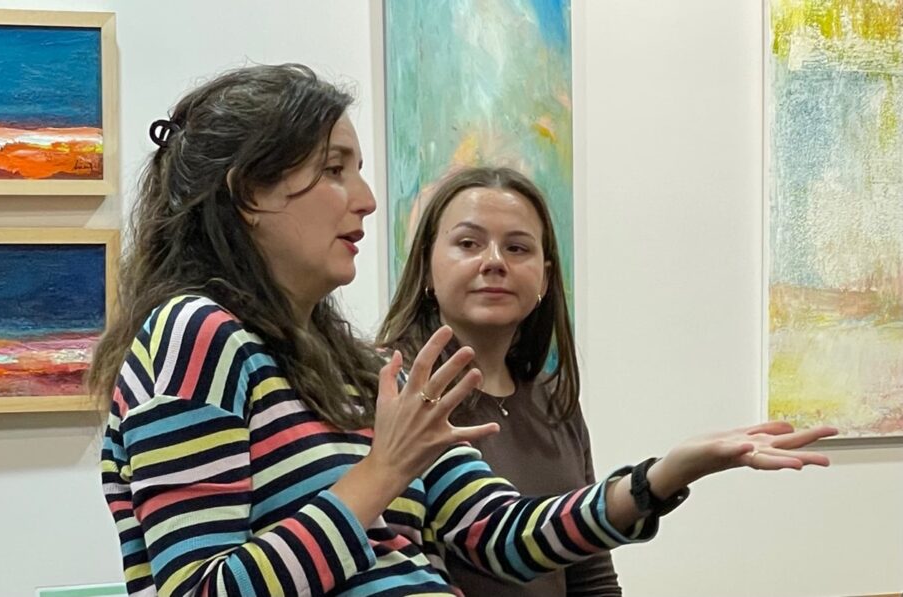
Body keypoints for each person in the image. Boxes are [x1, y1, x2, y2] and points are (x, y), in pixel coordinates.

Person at [89, 63, 836, 597]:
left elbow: (506, 535)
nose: (368, 198)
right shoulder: (195, 337)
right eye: (335, 169)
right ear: (247, 193)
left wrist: (669, 472)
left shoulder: (351, 366)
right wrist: (380, 475)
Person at [378, 166, 612, 595]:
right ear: (428, 265)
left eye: (517, 248)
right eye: (468, 244)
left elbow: (590, 574)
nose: (494, 263)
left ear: (544, 275)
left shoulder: (555, 400)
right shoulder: (391, 391)